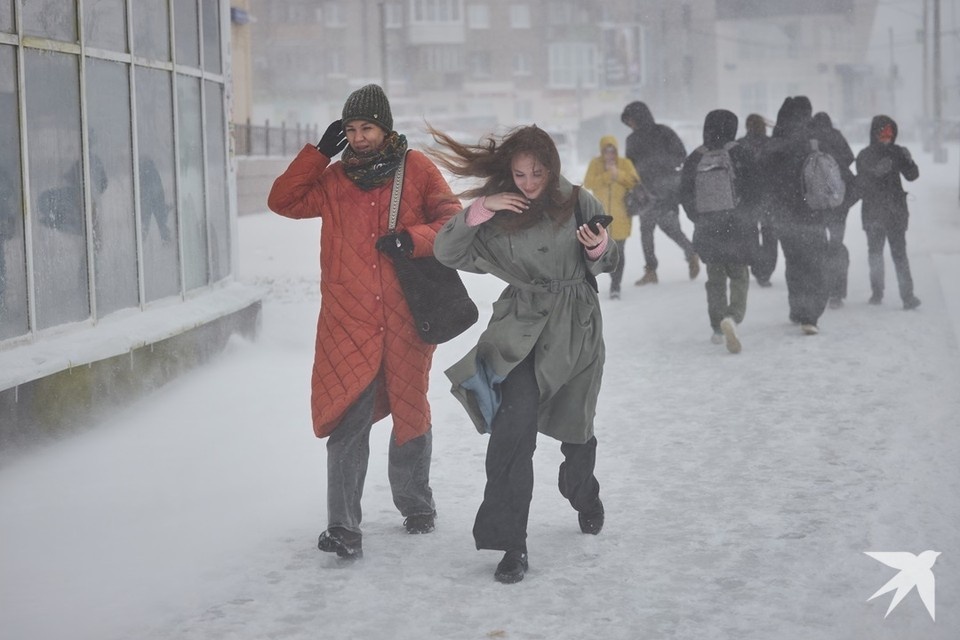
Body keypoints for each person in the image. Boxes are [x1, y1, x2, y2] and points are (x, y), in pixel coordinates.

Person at [267, 84, 461, 561]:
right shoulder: (332, 179)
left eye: (367, 127)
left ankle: (416, 505)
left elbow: (453, 220)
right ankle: (342, 525)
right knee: (347, 418)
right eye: (351, 129)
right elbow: (283, 201)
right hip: (347, 320)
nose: (359, 137)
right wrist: (316, 155)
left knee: (410, 410)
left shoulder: (416, 169)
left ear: (385, 127)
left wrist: (411, 240)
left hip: (404, 316)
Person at [430, 125, 618, 584]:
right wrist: (480, 208)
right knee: (512, 435)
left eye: (537, 172)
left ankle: (583, 493)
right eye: (519, 174)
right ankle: (511, 543)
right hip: (519, 333)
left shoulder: (578, 200)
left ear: (551, 167)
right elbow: (446, 251)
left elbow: (607, 260)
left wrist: (599, 248)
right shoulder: (499, 212)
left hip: (575, 330)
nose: (529, 182)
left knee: (577, 434)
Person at [763, 96, 846, 335]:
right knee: (816, 265)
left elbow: (762, 179)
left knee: (795, 263)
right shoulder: (816, 139)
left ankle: (797, 309)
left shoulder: (775, 143)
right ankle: (810, 316)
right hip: (812, 212)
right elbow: (841, 163)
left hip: (783, 216)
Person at [680, 109, 759, 354]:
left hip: (708, 227)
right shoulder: (741, 153)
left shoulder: (695, 157)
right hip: (738, 225)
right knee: (738, 275)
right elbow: (756, 188)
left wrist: (699, 217)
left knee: (715, 278)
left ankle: (716, 326)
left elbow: (684, 193)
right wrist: (748, 215)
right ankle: (733, 317)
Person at [621, 101, 700, 285]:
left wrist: (659, 165)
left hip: (667, 190)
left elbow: (681, 154)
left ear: (638, 117)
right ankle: (651, 270)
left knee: (670, 228)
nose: (630, 124)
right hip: (645, 193)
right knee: (646, 231)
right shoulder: (631, 140)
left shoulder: (663, 132)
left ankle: (691, 253)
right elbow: (629, 166)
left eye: (631, 119)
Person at [855, 115, 921, 310]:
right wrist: (876, 172)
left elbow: (912, 176)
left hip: (895, 213)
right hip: (874, 213)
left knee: (899, 255)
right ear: (875, 134)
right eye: (883, 133)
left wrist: (909, 161)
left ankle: (907, 296)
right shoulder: (865, 155)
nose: (887, 137)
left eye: (890, 133)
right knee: (875, 254)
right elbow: (860, 183)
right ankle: (877, 292)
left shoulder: (897, 152)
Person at [582, 134, 640, 299]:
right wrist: (608, 175)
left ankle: (616, 285)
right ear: (601, 151)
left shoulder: (625, 163)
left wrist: (617, 173)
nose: (609, 154)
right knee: (603, 253)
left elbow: (634, 182)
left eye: (612, 150)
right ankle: (609, 279)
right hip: (601, 218)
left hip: (621, 216)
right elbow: (588, 183)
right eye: (606, 150)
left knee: (619, 252)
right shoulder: (595, 164)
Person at [810, 111, 857, 309]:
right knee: (836, 244)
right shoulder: (836, 135)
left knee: (818, 244)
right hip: (839, 199)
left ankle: (819, 287)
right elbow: (850, 157)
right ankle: (837, 292)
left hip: (817, 200)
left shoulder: (811, 140)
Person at [736, 114, 776, 287]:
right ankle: (765, 271)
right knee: (770, 235)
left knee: (750, 234)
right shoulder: (772, 144)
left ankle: (756, 266)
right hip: (769, 196)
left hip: (747, 197)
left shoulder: (739, 145)